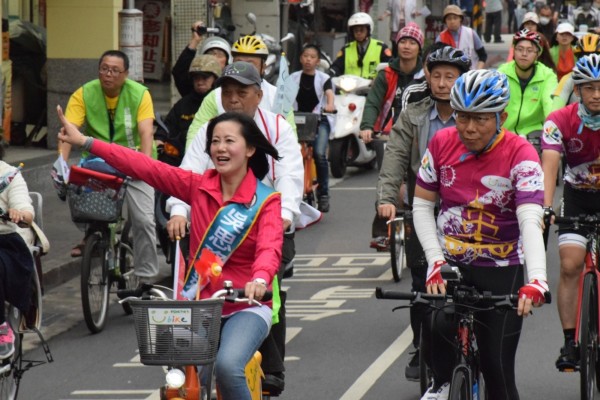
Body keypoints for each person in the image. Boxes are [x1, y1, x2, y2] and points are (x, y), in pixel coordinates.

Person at [57, 108, 282, 400]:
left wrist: (261, 279)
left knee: (227, 367)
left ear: (250, 148)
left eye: (229, 141)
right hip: (198, 305)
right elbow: (144, 167)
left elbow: (269, 247)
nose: (220, 148)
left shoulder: (266, 201)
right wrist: (86, 142)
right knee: (180, 381)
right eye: (215, 141)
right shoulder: (198, 186)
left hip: (246, 306)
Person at [167, 62, 303, 395]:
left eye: (242, 93)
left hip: (265, 225)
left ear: (259, 95)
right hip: (215, 229)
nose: (233, 100)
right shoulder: (211, 131)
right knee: (197, 293)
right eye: (227, 92)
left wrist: (283, 213)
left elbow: (290, 175)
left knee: (265, 290)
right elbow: (188, 172)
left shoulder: (277, 128)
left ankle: (273, 369)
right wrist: (179, 210)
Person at [413, 69, 548, 400]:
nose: (469, 128)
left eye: (480, 119)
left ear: (501, 116)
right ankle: (441, 383)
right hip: (451, 262)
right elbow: (421, 206)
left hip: (502, 268)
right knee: (436, 323)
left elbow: (530, 218)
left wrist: (538, 279)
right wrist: (434, 260)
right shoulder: (441, 142)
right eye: (462, 117)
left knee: (497, 369)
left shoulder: (522, 155)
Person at [376, 46, 471, 382]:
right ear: (427, 77)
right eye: (437, 76)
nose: (443, 83)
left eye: (451, 76)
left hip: (466, 208)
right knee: (421, 284)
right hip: (422, 205)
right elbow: (395, 160)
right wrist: (387, 198)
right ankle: (422, 344)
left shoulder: (476, 117)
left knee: (470, 283)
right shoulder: (413, 115)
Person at [57, 50, 159, 282]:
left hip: (136, 162)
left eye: (114, 70)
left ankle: (146, 279)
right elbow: (67, 131)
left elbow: (146, 132)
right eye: (104, 68)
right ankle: (93, 236)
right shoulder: (84, 93)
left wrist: (144, 164)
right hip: (99, 163)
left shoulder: (140, 94)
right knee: (80, 200)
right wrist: (61, 164)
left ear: (125, 74)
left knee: (143, 221)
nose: (108, 74)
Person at [541, 54, 600, 372]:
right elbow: (549, 167)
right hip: (576, 198)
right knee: (569, 265)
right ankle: (570, 341)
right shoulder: (559, 121)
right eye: (588, 87)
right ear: (576, 90)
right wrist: (546, 206)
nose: (596, 94)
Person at [358, 22, 424, 251]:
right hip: (389, 136)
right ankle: (382, 230)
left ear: (419, 48)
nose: (407, 46)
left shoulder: (426, 74)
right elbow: (373, 103)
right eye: (403, 41)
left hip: (419, 136)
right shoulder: (386, 73)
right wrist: (367, 126)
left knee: (420, 182)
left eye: (412, 42)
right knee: (388, 180)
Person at [185, 35, 296, 149]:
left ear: (263, 68)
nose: (244, 69)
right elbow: (195, 135)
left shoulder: (279, 97)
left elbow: (290, 141)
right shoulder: (214, 96)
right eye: (239, 63)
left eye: (250, 64)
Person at [290, 44, 336, 213]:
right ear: (301, 58)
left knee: (319, 153)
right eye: (305, 56)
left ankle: (323, 194)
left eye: (312, 57)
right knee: (290, 153)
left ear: (318, 61)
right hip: (295, 120)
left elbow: (329, 94)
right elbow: (283, 96)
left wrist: (330, 105)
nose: (308, 60)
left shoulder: (324, 78)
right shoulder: (293, 78)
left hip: (319, 120)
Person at [155, 55, 222, 164]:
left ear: (215, 79)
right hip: (181, 158)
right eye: (196, 78)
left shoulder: (221, 102)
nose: (200, 82)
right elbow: (167, 126)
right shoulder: (183, 104)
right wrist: (159, 139)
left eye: (204, 78)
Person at [0, 159, 34, 359]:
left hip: (5, 244)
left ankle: (1, 327)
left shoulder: (8, 174)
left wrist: (19, 213)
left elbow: (26, 211)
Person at [497, 29, 558, 139]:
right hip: (504, 133)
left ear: (538, 54)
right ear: (513, 51)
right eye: (519, 49)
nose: (524, 54)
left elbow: (550, 106)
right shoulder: (502, 73)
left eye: (530, 50)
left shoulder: (548, 75)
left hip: (534, 133)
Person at [171, 21, 232, 97]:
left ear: (227, 61)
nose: (214, 58)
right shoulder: (195, 89)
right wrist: (195, 40)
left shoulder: (231, 85)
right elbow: (179, 72)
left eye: (220, 55)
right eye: (210, 54)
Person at [330, 12, 392, 79]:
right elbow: (337, 66)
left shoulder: (381, 48)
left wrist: (380, 79)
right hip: (350, 87)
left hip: (373, 87)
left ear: (368, 30)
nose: (358, 33)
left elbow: (390, 66)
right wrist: (332, 72)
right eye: (356, 30)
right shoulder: (346, 49)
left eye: (362, 30)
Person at [552, 33, 600, 108]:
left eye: (595, 57)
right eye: (584, 57)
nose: (591, 61)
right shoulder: (568, 79)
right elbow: (555, 109)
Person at [436, 4, 487, 70]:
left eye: (455, 18)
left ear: (460, 19)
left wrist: (477, 71)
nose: (452, 21)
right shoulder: (441, 37)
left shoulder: (471, 33)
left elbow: (483, 55)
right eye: (449, 19)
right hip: (449, 76)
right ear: (445, 21)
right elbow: (436, 60)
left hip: (470, 74)